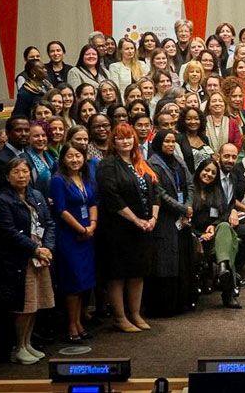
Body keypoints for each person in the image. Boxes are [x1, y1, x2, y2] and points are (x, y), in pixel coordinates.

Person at [0, 158, 56, 364]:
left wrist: (48, 248)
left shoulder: (36, 195)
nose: (22, 176)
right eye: (17, 172)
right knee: (24, 305)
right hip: (20, 259)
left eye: (25, 171)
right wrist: (36, 249)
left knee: (36, 302)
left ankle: (28, 343)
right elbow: (9, 232)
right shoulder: (3, 199)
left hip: (40, 256)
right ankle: (18, 346)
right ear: (8, 176)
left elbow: (49, 223)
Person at [96, 123, 159, 333]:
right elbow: (112, 197)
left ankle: (135, 314)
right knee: (118, 275)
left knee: (137, 273)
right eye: (120, 138)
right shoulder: (108, 165)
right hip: (118, 229)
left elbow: (155, 191)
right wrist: (136, 220)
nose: (125, 141)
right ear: (114, 142)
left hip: (143, 228)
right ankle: (120, 317)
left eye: (129, 137)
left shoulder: (139, 162)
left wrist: (153, 217)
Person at [143, 130, 195, 317]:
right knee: (165, 263)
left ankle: (182, 302)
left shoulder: (179, 160)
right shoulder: (152, 163)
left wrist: (187, 206)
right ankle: (164, 307)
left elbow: (189, 184)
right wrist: (182, 208)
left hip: (181, 217)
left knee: (181, 260)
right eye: (167, 141)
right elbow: (161, 193)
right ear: (158, 142)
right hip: (165, 217)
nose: (171, 145)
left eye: (173, 141)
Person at [49, 145, 97, 344]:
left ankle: (79, 323)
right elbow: (61, 210)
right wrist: (81, 229)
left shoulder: (86, 178)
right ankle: (71, 325)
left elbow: (93, 203)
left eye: (78, 155)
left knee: (83, 283)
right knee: (72, 282)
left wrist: (92, 225)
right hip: (70, 237)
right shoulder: (58, 180)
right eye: (70, 156)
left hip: (87, 235)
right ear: (63, 159)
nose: (75, 160)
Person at [190, 158, 242, 309]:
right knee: (228, 247)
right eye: (206, 170)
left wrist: (213, 226)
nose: (209, 174)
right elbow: (185, 217)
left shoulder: (217, 191)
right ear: (199, 170)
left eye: (213, 172)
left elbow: (224, 214)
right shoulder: (191, 190)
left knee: (225, 228)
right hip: (194, 236)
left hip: (214, 235)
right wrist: (198, 235)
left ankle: (223, 268)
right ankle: (228, 289)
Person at [0, 116, 31, 194]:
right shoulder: (0, 161)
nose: (24, 134)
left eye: (27, 130)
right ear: (7, 133)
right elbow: (4, 195)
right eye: (18, 130)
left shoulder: (27, 152)